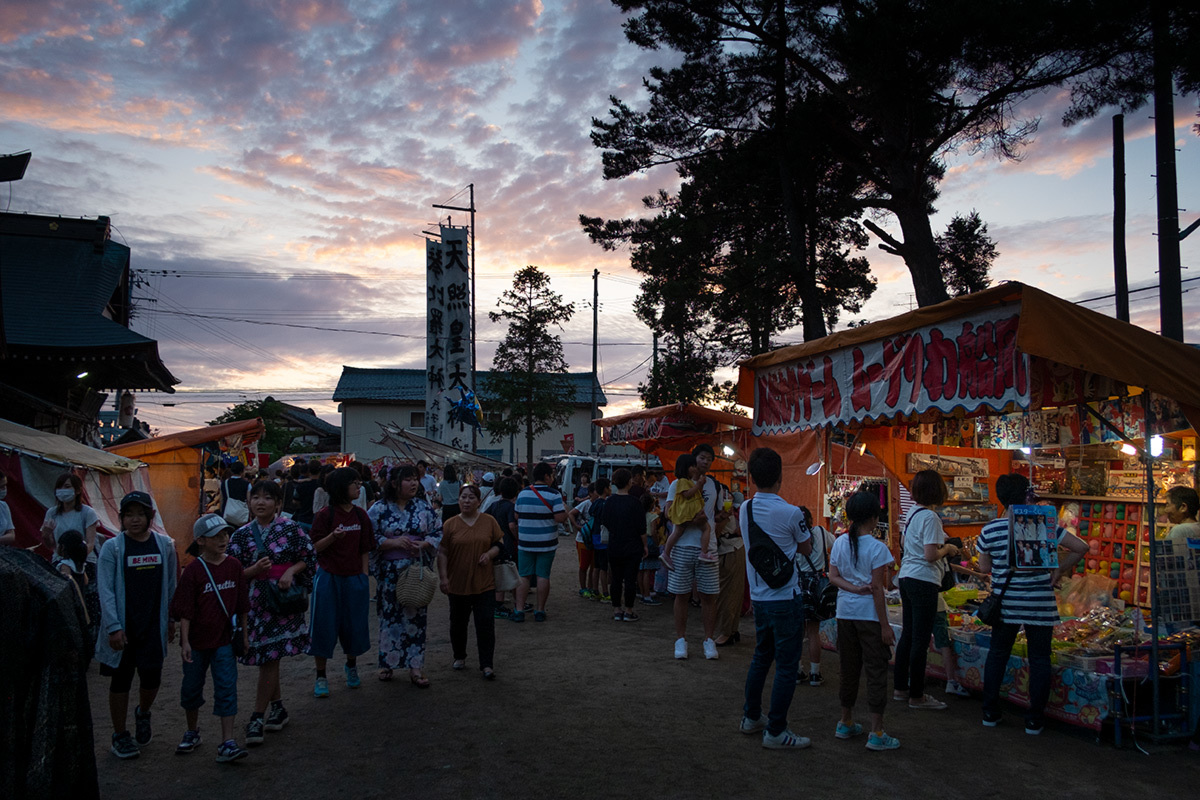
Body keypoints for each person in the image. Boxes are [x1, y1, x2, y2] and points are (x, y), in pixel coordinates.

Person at [978, 473, 1087, 734]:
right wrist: (1058, 570)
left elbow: (984, 568)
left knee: (997, 654)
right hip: (1039, 603)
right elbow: (1081, 547)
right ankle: (1034, 720)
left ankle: (990, 712)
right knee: (1040, 659)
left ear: (1000, 497)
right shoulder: (1044, 524)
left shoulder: (990, 529)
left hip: (1006, 604)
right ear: (1027, 494)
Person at [227, 480, 316, 747]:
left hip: (282, 604)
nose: (261, 502)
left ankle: (256, 716)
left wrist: (290, 571)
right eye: (256, 497)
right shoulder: (240, 535)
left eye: (268, 498)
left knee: (270, 658)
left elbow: (309, 558)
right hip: (255, 606)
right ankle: (277, 707)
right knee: (269, 657)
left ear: (278, 504)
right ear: (249, 502)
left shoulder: (291, 529)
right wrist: (252, 572)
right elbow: (232, 574)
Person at [738, 446, 813, 750]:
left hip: (759, 598)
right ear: (781, 476)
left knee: (761, 657)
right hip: (785, 596)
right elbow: (807, 549)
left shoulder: (745, 509)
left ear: (752, 477)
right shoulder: (792, 512)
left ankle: (751, 717)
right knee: (786, 665)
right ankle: (776, 730)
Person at [94, 491, 178, 760]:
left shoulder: (165, 546)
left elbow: (170, 585)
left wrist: (171, 618)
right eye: (129, 514)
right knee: (121, 681)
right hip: (123, 629)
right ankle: (120, 735)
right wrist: (113, 627)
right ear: (121, 518)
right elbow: (105, 590)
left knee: (152, 678)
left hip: (153, 626)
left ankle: (143, 713)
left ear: (150, 517)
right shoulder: (113, 548)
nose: (134, 519)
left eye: (140, 514)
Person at [170, 513, 251, 762]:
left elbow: (242, 606)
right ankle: (192, 731)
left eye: (225, 534)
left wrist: (244, 637)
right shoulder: (193, 571)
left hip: (224, 640)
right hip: (196, 642)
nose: (223, 539)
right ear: (201, 541)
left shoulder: (234, 566)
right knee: (191, 688)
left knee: (227, 687)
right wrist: (185, 642)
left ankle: (227, 740)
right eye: (216, 536)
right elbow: (185, 611)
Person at [828, 491, 901, 751]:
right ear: (873, 517)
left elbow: (832, 577)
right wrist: (885, 626)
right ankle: (877, 731)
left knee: (848, 669)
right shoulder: (878, 548)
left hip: (845, 614)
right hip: (869, 618)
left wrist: (852, 589)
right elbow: (878, 590)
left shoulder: (839, 543)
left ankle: (845, 721)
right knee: (876, 672)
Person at [368, 465, 442, 686]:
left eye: (415, 480)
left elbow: (438, 530)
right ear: (394, 483)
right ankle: (387, 663)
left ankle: (415, 666)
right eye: (408, 480)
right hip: (390, 571)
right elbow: (370, 536)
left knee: (416, 617)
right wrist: (391, 542)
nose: (413, 484)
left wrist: (425, 543)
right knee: (389, 617)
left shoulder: (423, 507)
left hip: (414, 569)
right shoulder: (379, 509)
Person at [893, 469, 959, 710]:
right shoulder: (931, 518)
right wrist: (948, 550)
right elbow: (930, 554)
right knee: (920, 638)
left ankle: (900, 688)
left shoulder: (912, 513)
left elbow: (905, 545)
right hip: (923, 580)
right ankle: (917, 695)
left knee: (908, 635)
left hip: (907, 577)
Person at [307, 467, 375, 697]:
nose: (359, 486)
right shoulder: (325, 515)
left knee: (354, 626)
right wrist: (332, 537)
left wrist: (364, 576)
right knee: (323, 627)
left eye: (359, 482)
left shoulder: (361, 516)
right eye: (354, 483)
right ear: (340, 487)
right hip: (328, 578)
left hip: (354, 578)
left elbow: (365, 548)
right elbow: (314, 548)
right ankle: (321, 676)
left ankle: (351, 667)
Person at [664, 443, 727, 660]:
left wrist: (723, 518)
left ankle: (709, 641)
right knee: (681, 594)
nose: (706, 462)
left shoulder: (713, 486)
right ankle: (680, 640)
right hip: (682, 546)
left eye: (709, 458)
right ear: (693, 460)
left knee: (709, 595)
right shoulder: (677, 485)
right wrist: (691, 520)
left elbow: (714, 515)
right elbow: (668, 513)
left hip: (707, 548)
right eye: (702, 457)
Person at [438, 484, 504, 679]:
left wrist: (489, 554)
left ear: (479, 501)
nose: (466, 501)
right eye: (463, 497)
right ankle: (459, 656)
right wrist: (444, 578)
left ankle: (486, 664)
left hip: (484, 582)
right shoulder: (450, 524)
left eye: (471, 498)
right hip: (457, 583)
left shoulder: (489, 521)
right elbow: (442, 552)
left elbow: (500, 544)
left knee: (485, 623)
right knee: (458, 623)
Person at [41, 472, 102, 628]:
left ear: (77, 490)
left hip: (85, 562)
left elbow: (90, 543)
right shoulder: (52, 513)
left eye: (67, 487)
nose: (62, 490)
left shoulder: (87, 513)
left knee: (86, 600)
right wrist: (46, 535)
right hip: (60, 561)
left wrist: (77, 561)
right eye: (59, 487)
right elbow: (50, 545)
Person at [512, 462, 567, 623]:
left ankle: (519, 610)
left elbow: (516, 516)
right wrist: (565, 511)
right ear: (546, 476)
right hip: (546, 542)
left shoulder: (522, 493)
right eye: (551, 475)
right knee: (543, 575)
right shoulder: (554, 494)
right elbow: (559, 518)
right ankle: (540, 610)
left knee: (523, 576)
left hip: (525, 542)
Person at [600, 468, 649, 622]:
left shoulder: (609, 502)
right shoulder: (635, 503)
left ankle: (617, 609)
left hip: (614, 544)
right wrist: (645, 545)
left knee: (615, 578)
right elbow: (642, 528)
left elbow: (605, 521)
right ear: (629, 482)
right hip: (632, 545)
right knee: (630, 579)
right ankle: (629, 610)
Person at [795, 506, 836, 684]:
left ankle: (797, 670)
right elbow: (835, 545)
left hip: (798, 584)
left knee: (797, 631)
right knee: (813, 632)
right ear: (811, 520)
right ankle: (814, 673)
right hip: (818, 584)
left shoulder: (792, 538)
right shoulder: (821, 531)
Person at [663, 454, 715, 564]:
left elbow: (697, 494)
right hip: (687, 514)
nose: (695, 469)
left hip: (689, 513)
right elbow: (688, 494)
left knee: (678, 532)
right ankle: (666, 553)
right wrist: (698, 485)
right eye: (693, 466)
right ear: (685, 467)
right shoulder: (681, 481)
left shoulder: (688, 482)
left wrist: (699, 485)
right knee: (705, 528)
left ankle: (666, 553)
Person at [713, 489, 746, 645]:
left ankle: (727, 631)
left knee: (726, 594)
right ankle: (731, 630)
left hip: (730, 551)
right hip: (735, 550)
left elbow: (717, 532)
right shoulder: (731, 509)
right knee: (734, 592)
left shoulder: (725, 511)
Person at [488, 476, 520, 617]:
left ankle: (504, 603)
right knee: (509, 573)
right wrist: (517, 537)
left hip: (494, 544)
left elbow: (485, 517)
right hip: (507, 543)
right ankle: (499, 605)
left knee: (499, 572)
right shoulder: (511, 507)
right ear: (515, 493)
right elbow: (512, 525)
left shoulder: (494, 505)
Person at [569, 481, 599, 600]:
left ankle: (590, 587)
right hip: (583, 539)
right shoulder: (586, 504)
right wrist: (577, 526)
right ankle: (583, 588)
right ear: (591, 493)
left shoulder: (599, 503)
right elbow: (571, 513)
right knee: (583, 566)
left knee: (593, 566)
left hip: (593, 539)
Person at [638, 493, 664, 606]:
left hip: (638, 540)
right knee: (648, 571)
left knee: (640, 569)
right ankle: (647, 595)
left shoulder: (638, 515)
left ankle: (643, 593)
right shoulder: (653, 517)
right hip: (649, 541)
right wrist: (656, 542)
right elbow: (653, 532)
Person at [290, 460, 322, 529]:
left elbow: (295, 501)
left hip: (303, 518)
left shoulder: (301, 485)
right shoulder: (323, 486)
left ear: (308, 471)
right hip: (319, 520)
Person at [220, 462, 251, 527]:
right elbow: (249, 500)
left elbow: (221, 499)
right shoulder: (247, 484)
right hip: (241, 515)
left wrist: (221, 511)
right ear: (242, 471)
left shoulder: (225, 483)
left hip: (227, 513)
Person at [0, 468, 16, 547]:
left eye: (5, 485)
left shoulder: (3, 506)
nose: (4, 489)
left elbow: (11, 535)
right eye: (1, 487)